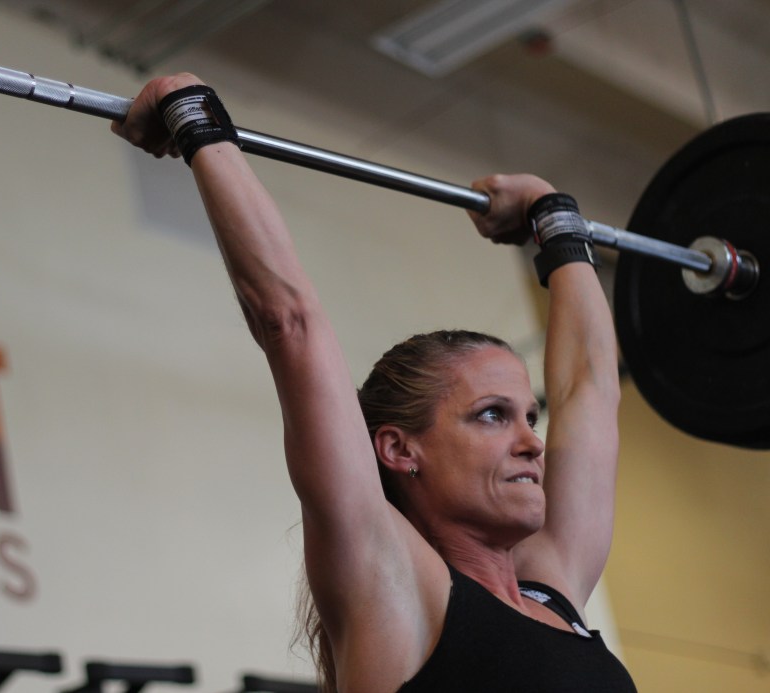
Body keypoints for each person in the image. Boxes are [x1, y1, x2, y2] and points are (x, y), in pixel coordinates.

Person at [112, 73, 636, 692]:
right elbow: (289, 323)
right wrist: (190, 106)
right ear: (397, 449)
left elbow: (590, 385)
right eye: (493, 415)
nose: (532, 443)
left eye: (529, 417)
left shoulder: (554, 592)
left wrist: (552, 213)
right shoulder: (394, 585)